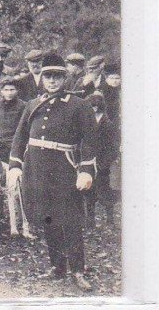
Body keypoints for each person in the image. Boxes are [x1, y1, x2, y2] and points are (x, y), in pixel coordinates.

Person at [7, 52, 98, 291]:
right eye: (48, 76)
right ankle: (57, 267)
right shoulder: (32, 105)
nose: (52, 81)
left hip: (64, 169)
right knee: (48, 219)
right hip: (36, 170)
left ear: (64, 78)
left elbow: (89, 140)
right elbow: (19, 138)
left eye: (57, 76)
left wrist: (86, 170)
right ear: (42, 78)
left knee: (70, 220)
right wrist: (15, 165)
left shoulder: (79, 105)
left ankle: (78, 270)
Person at [84, 92, 117, 225]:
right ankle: (90, 220)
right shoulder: (86, 122)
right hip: (89, 162)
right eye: (91, 106)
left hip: (102, 163)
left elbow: (112, 147)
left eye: (95, 106)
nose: (93, 109)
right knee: (88, 190)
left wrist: (104, 163)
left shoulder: (108, 124)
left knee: (105, 191)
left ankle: (110, 219)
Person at [101, 63, 121, 128]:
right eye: (112, 78)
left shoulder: (121, 89)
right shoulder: (102, 89)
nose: (114, 81)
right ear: (107, 79)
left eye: (117, 78)